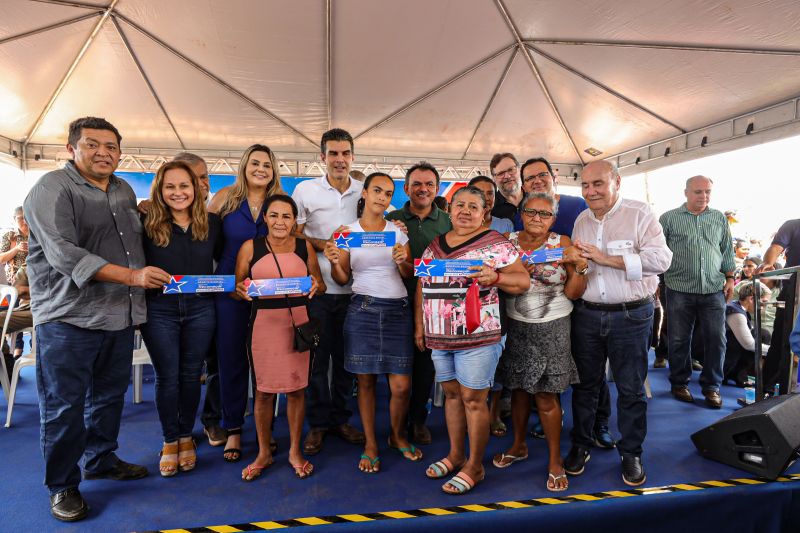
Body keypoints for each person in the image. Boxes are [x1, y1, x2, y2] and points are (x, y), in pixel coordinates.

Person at [24, 116, 171, 522]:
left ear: (120, 153)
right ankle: (62, 485)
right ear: (71, 149)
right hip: (68, 318)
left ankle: (100, 458)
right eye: (92, 145)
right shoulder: (50, 189)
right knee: (63, 406)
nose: (103, 152)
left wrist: (145, 214)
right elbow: (64, 254)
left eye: (111, 146)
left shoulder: (123, 190)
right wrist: (133, 277)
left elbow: (132, 241)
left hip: (118, 317)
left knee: (108, 398)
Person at [565, 160, 672, 487]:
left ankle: (631, 452)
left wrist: (605, 258)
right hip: (586, 313)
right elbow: (579, 268)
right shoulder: (581, 220)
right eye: (585, 185)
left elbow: (661, 260)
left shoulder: (640, 214)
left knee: (630, 388)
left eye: (598, 183)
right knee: (584, 386)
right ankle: (581, 445)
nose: (590, 191)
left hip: (632, 315)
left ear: (617, 182)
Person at [418, 186, 530, 495]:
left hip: (479, 335)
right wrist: (421, 327)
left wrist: (496, 278)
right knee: (452, 396)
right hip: (440, 336)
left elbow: (522, 281)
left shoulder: (496, 243)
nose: (465, 211)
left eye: (473, 206)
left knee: (473, 399)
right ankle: (456, 455)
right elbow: (422, 285)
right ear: (450, 209)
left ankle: (475, 466)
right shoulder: (435, 244)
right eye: (460, 205)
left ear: (484, 214)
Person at [514, 156, 615, 448]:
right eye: (530, 178)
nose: (536, 180)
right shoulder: (513, 234)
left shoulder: (579, 204)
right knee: (538, 382)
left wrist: (578, 264)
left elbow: (582, 265)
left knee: (587, 370)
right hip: (527, 316)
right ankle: (550, 424)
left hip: (576, 303)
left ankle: (599, 422)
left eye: (541, 174)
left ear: (553, 176)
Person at [325, 172, 419, 473]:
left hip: (398, 310)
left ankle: (396, 436)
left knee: (402, 386)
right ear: (364, 193)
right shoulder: (345, 233)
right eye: (377, 190)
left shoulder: (398, 232)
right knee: (365, 381)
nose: (382, 197)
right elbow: (342, 278)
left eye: (388, 193)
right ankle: (370, 444)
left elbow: (408, 275)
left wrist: (404, 259)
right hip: (362, 309)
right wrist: (335, 261)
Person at [492, 192, 586, 492]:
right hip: (517, 326)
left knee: (546, 396)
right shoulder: (507, 241)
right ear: (521, 213)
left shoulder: (563, 243)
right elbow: (496, 285)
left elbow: (573, 292)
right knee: (519, 389)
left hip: (553, 327)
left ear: (553, 219)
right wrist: (516, 274)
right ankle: (519, 445)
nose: (537, 218)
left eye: (544, 214)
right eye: (531, 212)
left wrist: (580, 267)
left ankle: (555, 460)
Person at [234, 195, 325, 481]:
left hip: (298, 323)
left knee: (297, 390)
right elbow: (236, 287)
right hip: (263, 324)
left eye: (286, 216)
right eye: (274, 215)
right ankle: (264, 452)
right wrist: (240, 290)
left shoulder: (304, 246)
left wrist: (314, 285)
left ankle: (295, 451)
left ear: (294, 220)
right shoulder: (250, 247)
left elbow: (319, 284)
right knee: (263, 391)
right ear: (265, 218)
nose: (280, 222)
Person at [140, 161, 222, 477]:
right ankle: (169, 439)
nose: (178, 192)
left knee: (190, 375)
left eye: (184, 185)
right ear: (160, 190)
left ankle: (186, 435)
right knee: (167, 376)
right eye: (170, 186)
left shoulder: (213, 224)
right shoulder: (144, 221)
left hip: (202, 309)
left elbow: (229, 262)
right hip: (159, 311)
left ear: (197, 188)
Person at [292, 128, 366, 455]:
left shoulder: (365, 192)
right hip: (316, 292)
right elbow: (293, 235)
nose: (339, 159)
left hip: (356, 291)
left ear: (352, 157)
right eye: (333, 153)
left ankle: (341, 419)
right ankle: (318, 425)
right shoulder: (305, 190)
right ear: (322, 157)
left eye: (345, 153)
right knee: (317, 362)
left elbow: (377, 231)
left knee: (347, 361)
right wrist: (325, 245)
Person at [208, 144, 284, 461]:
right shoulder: (225, 197)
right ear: (244, 165)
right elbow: (205, 239)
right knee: (231, 362)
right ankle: (234, 429)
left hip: (269, 295)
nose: (260, 169)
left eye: (267, 164)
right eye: (255, 163)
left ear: (273, 170)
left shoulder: (279, 202)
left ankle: (265, 435)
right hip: (229, 292)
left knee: (265, 365)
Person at [385, 163, 452, 444]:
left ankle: (418, 421)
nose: (423, 189)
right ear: (406, 188)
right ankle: (396, 427)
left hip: (434, 305)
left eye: (429, 184)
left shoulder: (448, 222)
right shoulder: (391, 219)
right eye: (417, 184)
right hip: (395, 301)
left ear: (436, 189)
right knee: (399, 370)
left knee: (426, 367)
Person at [659, 176, 735, 408]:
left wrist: (730, 277)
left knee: (717, 339)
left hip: (714, 288)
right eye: (698, 192)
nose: (704, 196)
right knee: (679, 339)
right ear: (686, 193)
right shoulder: (668, 218)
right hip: (678, 288)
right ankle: (679, 383)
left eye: (708, 192)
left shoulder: (719, 218)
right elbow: (658, 252)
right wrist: (655, 280)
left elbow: (727, 249)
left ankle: (712, 387)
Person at [171, 152, 226, 446]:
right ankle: (180, 431)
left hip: (212, 303)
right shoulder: (157, 218)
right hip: (170, 309)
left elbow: (223, 258)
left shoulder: (215, 220)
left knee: (215, 365)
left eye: (205, 176)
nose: (203, 182)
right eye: (195, 177)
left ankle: (212, 421)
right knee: (182, 372)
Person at [759, 218, 800, 395]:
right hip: (793, 291)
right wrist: (769, 263)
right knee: (781, 341)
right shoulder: (793, 225)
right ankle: (768, 389)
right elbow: (776, 248)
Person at [723, 282, 770, 387]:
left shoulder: (739, 307)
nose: (764, 306)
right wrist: (773, 350)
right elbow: (748, 344)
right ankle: (730, 372)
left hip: (727, 351)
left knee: (762, 334)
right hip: (723, 356)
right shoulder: (736, 313)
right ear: (751, 299)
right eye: (764, 302)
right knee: (761, 336)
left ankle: (736, 374)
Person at [489, 153, 523, 220]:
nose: (507, 176)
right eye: (501, 173)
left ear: (520, 170)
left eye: (511, 170)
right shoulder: (491, 208)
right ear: (494, 178)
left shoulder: (535, 198)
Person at [0, 206, 29, 285]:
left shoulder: (38, 235)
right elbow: (1, 259)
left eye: (27, 217)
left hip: (36, 278)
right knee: (7, 297)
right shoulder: (9, 236)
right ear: (14, 219)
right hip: (14, 281)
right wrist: (16, 249)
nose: (25, 221)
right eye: (21, 218)